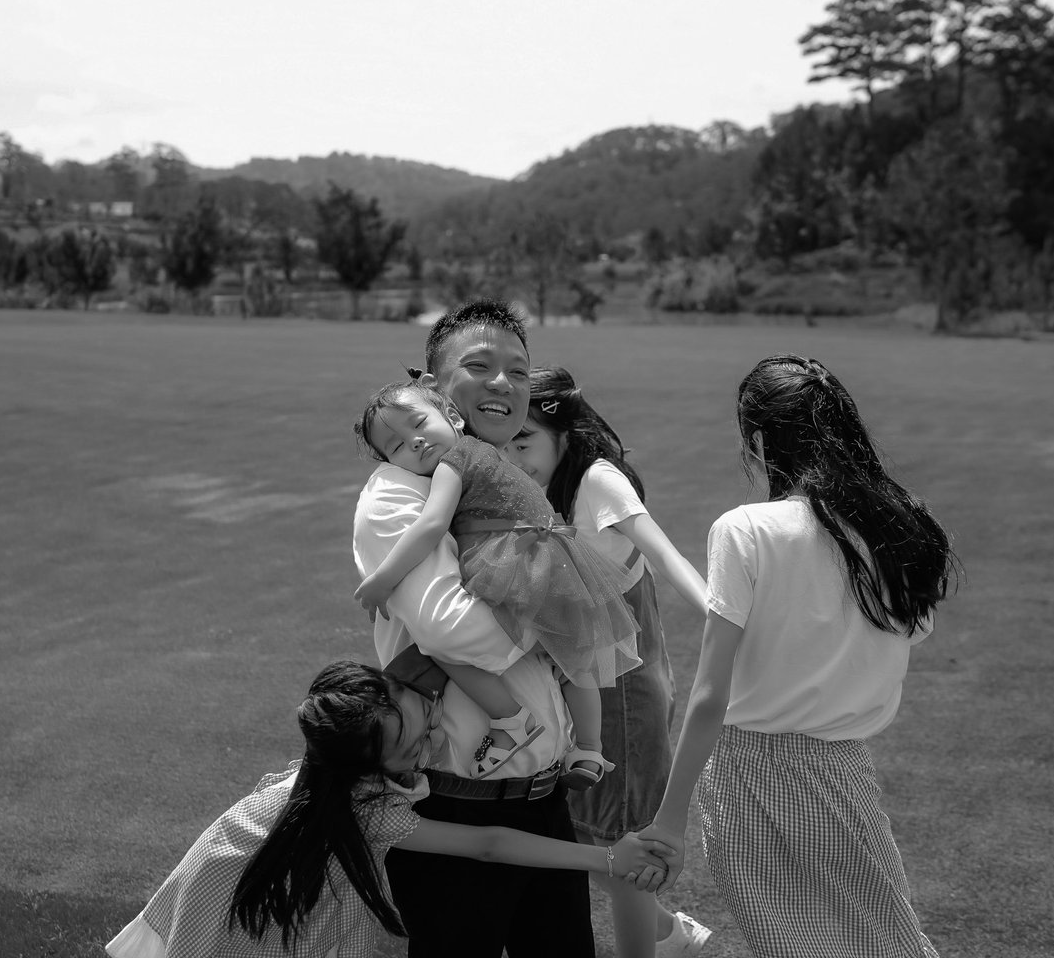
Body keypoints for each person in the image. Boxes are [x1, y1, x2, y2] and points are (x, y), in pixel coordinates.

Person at [642, 355, 960, 957]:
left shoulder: (745, 530)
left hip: (747, 772)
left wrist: (669, 819)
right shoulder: (902, 530)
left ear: (759, 440)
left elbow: (711, 694)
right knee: (881, 940)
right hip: (843, 770)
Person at [105, 658, 671, 958]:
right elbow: (488, 844)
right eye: (418, 743)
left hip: (237, 882)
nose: (433, 735)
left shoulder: (334, 765)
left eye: (424, 717)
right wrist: (607, 861)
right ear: (372, 766)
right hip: (239, 898)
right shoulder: (370, 807)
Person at [350, 300, 596, 957]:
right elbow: (458, 635)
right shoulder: (396, 493)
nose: (502, 385)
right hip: (453, 810)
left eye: (518, 372)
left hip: (542, 802)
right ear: (433, 390)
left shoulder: (498, 479)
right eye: (479, 366)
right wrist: (557, 611)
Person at [505, 366, 713, 958]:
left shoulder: (596, 481)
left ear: (563, 433)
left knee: (619, 846)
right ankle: (671, 935)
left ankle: (657, 943)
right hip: (579, 684)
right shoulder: (528, 482)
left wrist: (719, 616)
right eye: (508, 442)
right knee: (578, 835)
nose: (517, 456)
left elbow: (665, 554)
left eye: (527, 441)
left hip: (620, 685)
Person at [353, 374, 640, 785]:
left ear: (452, 416)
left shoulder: (456, 461)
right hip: (554, 560)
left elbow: (431, 525)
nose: (414, 441)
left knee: (443, 647)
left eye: (418, 424)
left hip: (514, 560)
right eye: (397, 445)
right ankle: (589, 750)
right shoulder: (495, 452)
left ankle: (510, 720)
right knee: (575, 663)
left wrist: (385, 578)